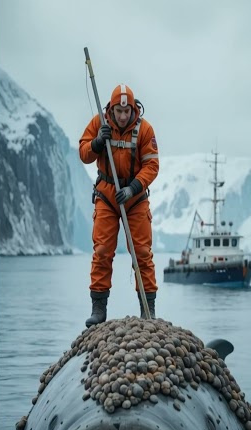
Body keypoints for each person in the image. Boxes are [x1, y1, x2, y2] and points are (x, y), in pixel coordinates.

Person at [79, 84, 159, 327]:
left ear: (133, 109)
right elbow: (83, 153)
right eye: (118, 111)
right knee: (102, 250)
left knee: (142, 253)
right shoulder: (99, 124)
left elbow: (152, 166)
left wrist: (133, 188)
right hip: (106, 195)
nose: (123, 116)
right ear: (111, 109)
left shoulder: (144, 130)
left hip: (134, 197)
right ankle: (98, 309)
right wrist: (96, 143)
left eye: (127, 111)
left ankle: (148, 309)